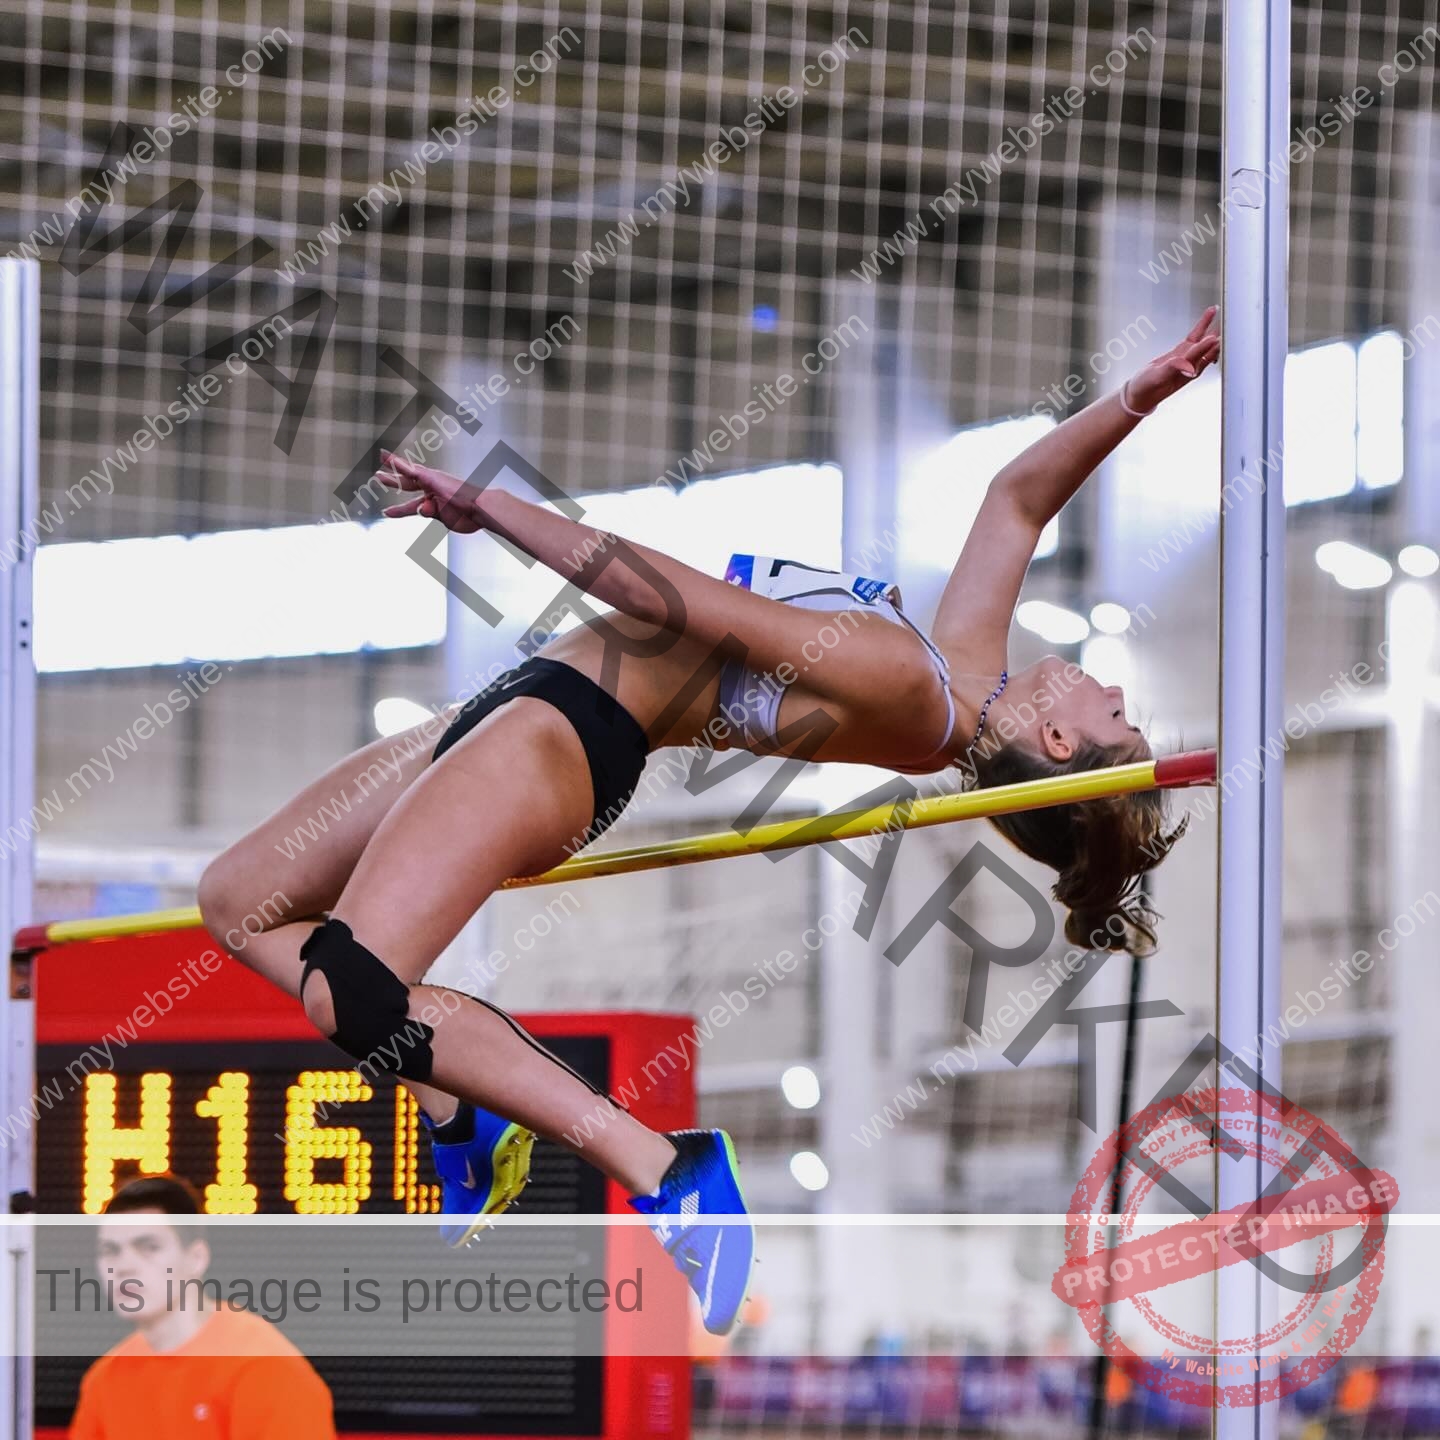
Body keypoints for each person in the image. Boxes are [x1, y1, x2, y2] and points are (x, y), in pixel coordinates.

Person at [197, 307, 1219, 1338]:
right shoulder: (961, 676)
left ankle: (661, 1165)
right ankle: (453, 1106)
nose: (1114, 691)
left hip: (568, 732)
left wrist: (494, 509)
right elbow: (1017, 499)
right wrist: (1144, 393)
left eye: (1116, 720)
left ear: (1054, 743)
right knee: (241, 899)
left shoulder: (909, 684)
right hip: (525, 694)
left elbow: (673, 600)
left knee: (354, 997)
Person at [68, 1174, 336, 1440]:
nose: (124, 1266)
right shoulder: (105, 1381)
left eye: (148, 1247)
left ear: (196, 1258)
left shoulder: (264, 1371)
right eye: (110, 1251)